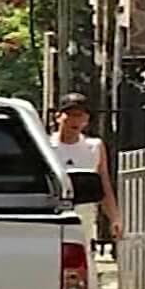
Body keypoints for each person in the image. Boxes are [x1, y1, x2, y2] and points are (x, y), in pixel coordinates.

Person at [50, 92, 122, 248]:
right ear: (58, 117)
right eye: (70, 114)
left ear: (86, 120)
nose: (75, 120)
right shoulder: (47, 146)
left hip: (84, 215)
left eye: (80, 115)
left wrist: (114, 218)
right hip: (54, 213)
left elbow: (103, 184)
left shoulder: (94, 146)